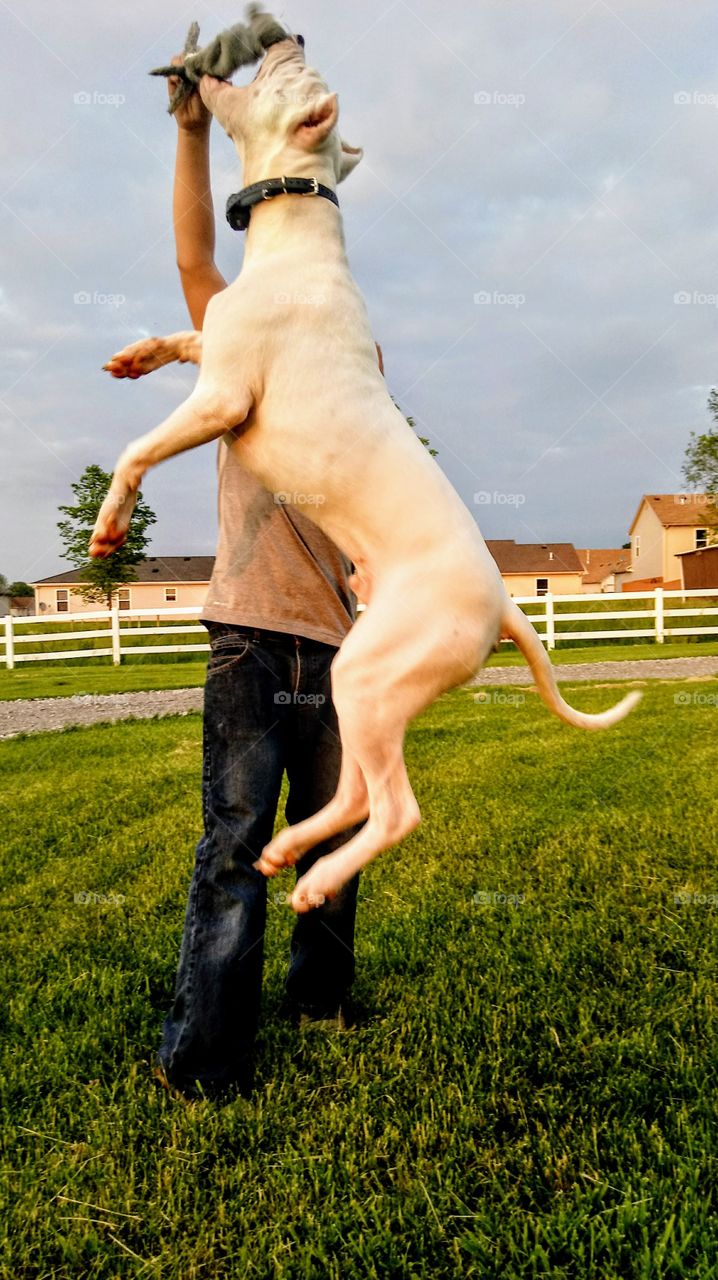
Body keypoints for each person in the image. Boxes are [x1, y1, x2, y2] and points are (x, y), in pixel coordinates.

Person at [154, 62, 380, 1101]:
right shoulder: (238, 323)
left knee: (333, 833)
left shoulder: (347, 352)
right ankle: (207, 1061)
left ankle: (323, 999)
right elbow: (197, 250)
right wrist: (196, 130)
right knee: (238, 843)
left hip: (342, 642)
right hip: (250, 631)